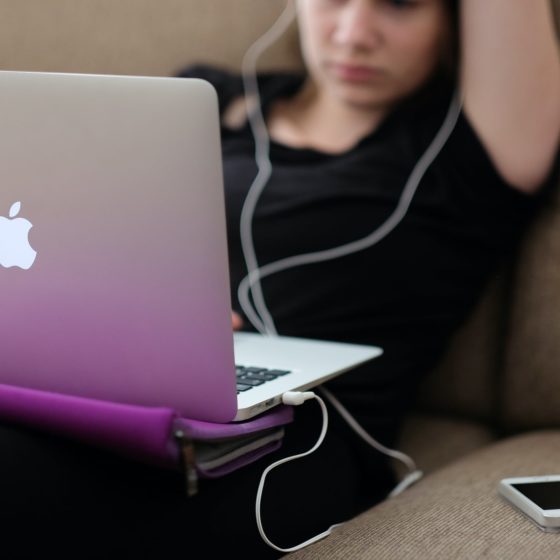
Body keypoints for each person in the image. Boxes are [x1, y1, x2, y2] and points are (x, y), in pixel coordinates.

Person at [0, 1, 559, 558]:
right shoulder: (204, 101)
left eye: (399, 4)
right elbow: (77, 236)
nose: (354, 32)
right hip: (120, 379)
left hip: (297, 435)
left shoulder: (470, 148)